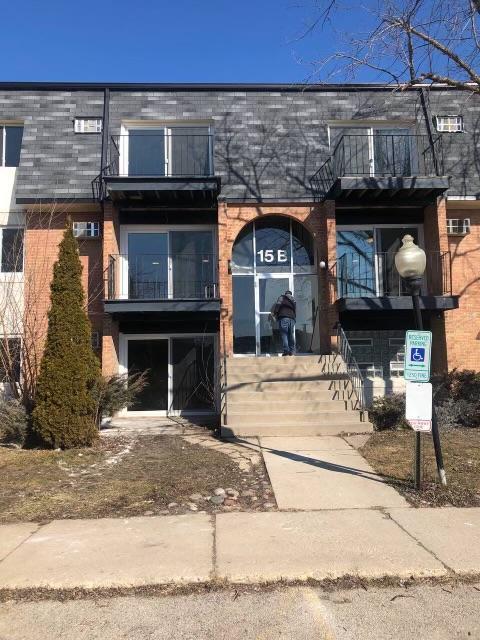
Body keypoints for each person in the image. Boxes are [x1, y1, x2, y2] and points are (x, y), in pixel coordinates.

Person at [272, 290, 296, 356]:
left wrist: (274, 313)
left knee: (284, 334)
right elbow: (295, 309)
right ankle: (292, 351)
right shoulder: (293, 299)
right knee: (290, 334)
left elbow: (278, 305)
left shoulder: (282, 297)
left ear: (285, 294)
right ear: (290, 294)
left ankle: (286, 351)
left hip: (284, 317)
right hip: (292, 318)